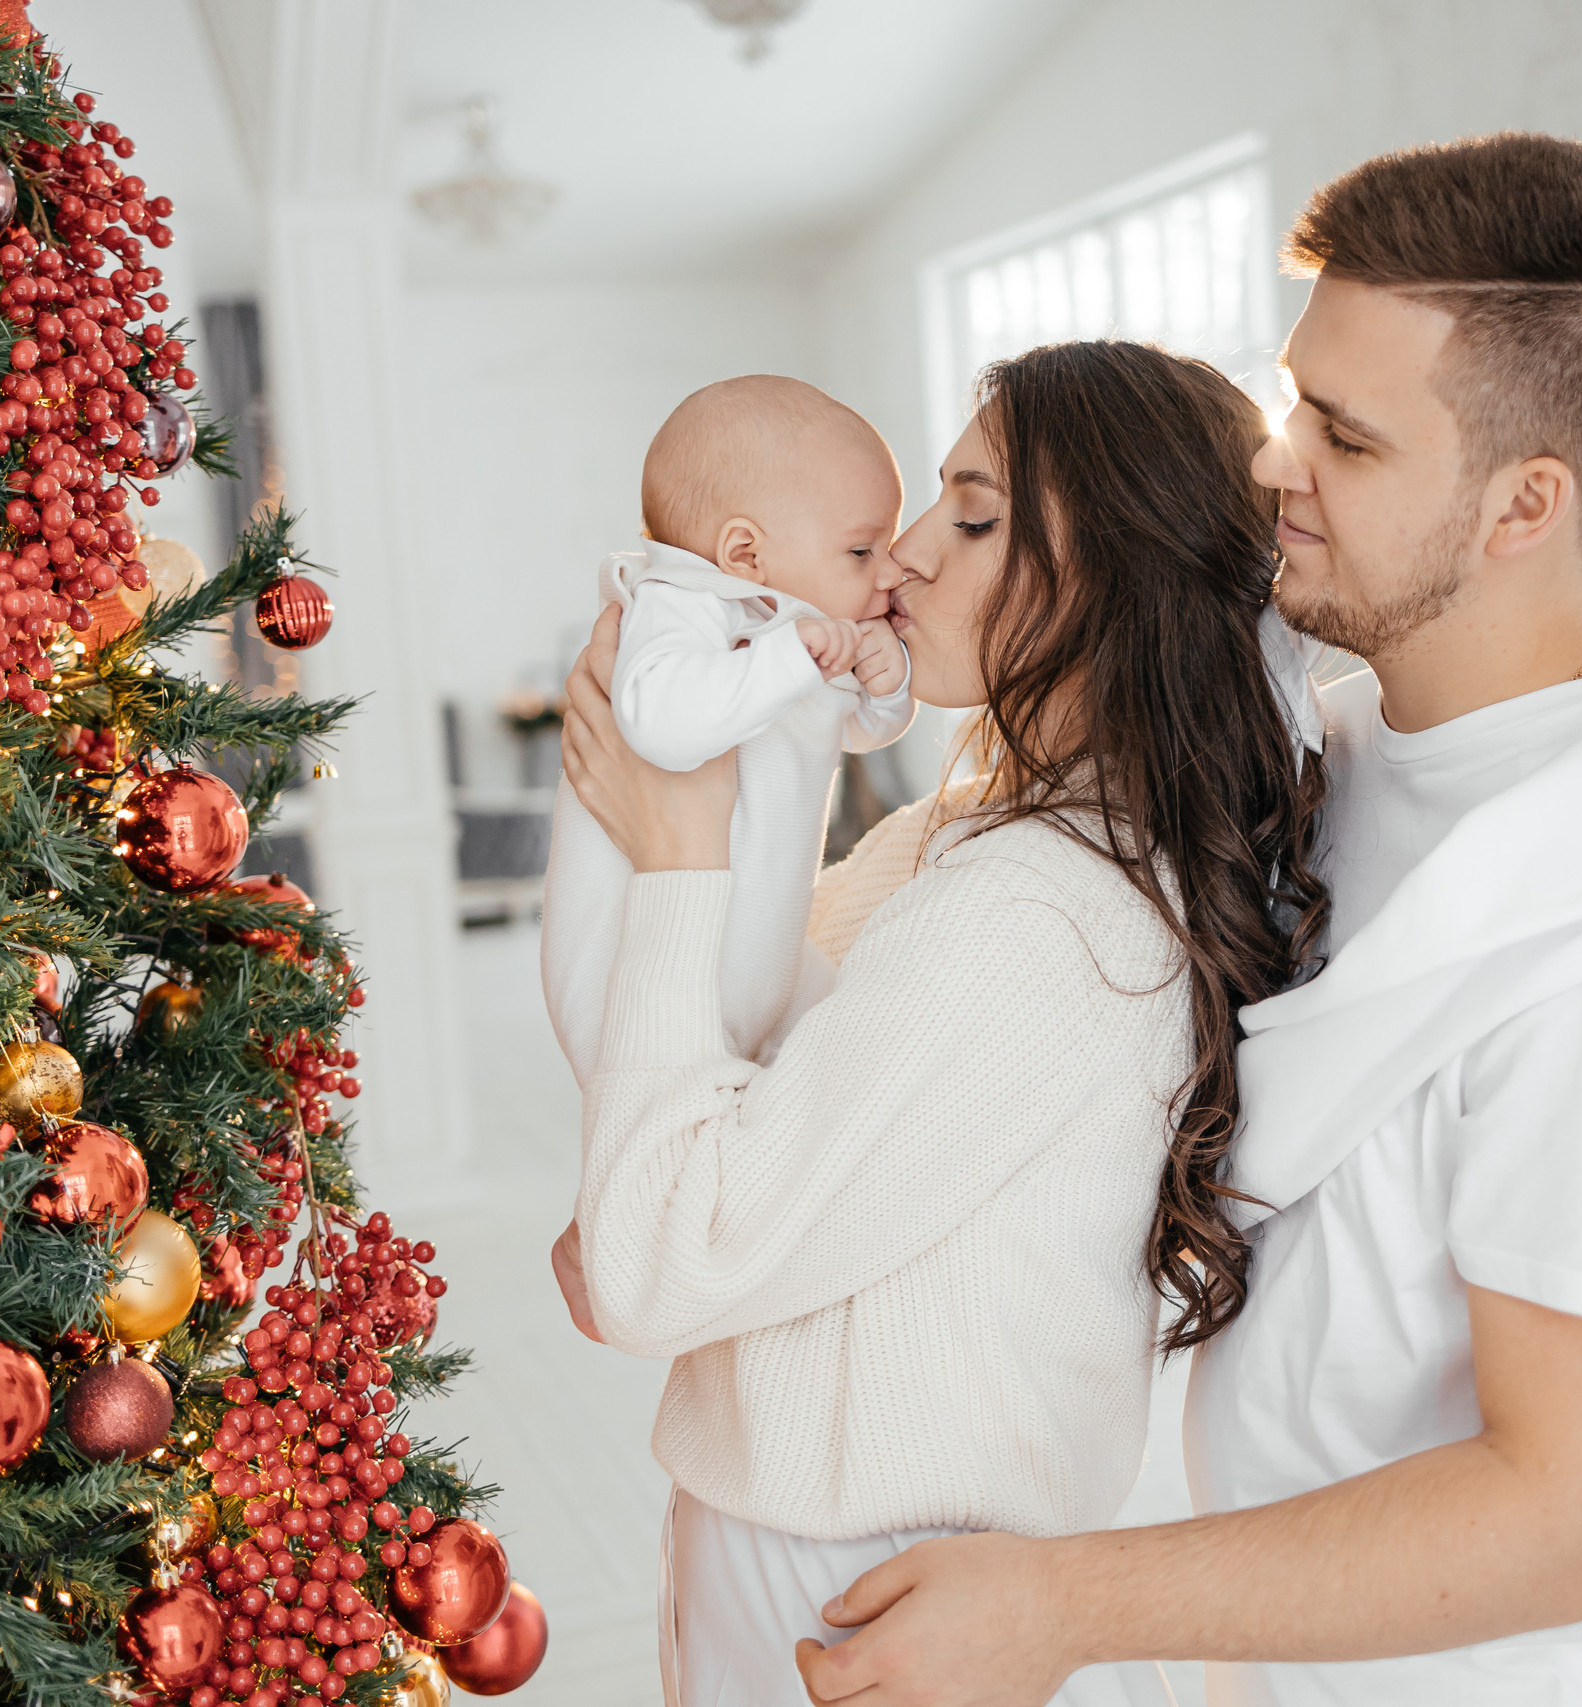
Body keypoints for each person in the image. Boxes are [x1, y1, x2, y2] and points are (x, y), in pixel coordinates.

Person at [794, 133, 1582, 1707]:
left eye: (1347, 439)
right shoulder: (1338, 746)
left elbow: (1578, 1512)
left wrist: (1062, 1603)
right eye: (1296, 398)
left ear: (1525, 503)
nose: (1275, 463)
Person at [551, 341, 1329, 1704]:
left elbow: (648, 1257)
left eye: (972, 518)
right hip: (814, 1556)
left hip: (883, 1595)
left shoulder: (1041, 912)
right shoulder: (966, 832)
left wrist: (679, 850)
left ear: (1113, 583)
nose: (903, 551)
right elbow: (721, 1103)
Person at [538, 375, 913, 1085]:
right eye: (863, 551)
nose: (891, 571)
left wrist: (887, 684)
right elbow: (661, 727)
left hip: (762, 954)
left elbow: (859, 730)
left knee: (862, 1051)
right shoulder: (681, 603)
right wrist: (792, 656)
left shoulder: (790, 622)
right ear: (744, 553)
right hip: (633, 971)